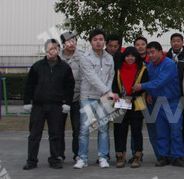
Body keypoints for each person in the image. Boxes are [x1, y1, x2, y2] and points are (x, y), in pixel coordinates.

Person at [23, 39, 75, 170]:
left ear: (59, 50)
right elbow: (29, 85)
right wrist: (27, 102)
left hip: (56, 106)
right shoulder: (37, 66)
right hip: (38, 106)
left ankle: (55, 159)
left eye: (55, 48)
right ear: (46, 50)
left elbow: (69, 87)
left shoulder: (65, 67)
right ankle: (31, 160)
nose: (53, 51)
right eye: (50, 48)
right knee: (34, 134)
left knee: (56, 134)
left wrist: (67, 103)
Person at [133, 41, 184, 167]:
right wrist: (149, 93)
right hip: (158, 102)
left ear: (160, 51)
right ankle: (164, 156)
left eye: (152, 52)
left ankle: (178, 156)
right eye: (148, 53)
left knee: (175, 130)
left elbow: (160, 82)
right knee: (161, 131)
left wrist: (142, 86)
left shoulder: (169, 64)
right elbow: (152, 81)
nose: (150, 55)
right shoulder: (151, 66)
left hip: (172, 102)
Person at [75, 29, 116, 169]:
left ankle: (103, 157)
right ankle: (82, 158)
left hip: (104, 98)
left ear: (104, 41)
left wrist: (107, 92)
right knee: (84, 128)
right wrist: (107, 91)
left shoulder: (109, 58)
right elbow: (91, 77)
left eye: (101, 39)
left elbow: (111, 76)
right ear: (90, 42)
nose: (98, 42)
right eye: (95, 39)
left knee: (103, 128)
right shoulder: (85, 57)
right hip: (88, 96)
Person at [112, 47, 148, 168]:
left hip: (137, 103)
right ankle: (120, 156)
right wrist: (118, 95)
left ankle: (137, 156)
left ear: (136, 57)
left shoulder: (143, 69)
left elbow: (144, 85)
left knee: (136, 131)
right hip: (120, 103)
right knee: (119, 131)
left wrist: (131, 97)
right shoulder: (118, 69)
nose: (130, 58)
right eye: (127, 56)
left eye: (132, 56)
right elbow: (114, 85)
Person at [168, 33, 184, 159]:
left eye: (178, 41)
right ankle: (172, 152)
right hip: (169, 97)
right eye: (174, 41)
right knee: (172, 125)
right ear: (171, 43)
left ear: (183, 42)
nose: (176, 43)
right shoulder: (166, 57)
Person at [59, 31, 83, 162]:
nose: (72, 43)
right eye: (69, 41)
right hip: (60, 99)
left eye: (74, 40)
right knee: (58, 128)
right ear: (63, 43)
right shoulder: (57, 58)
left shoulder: (82, 57)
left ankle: (78, 154)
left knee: (77, 128)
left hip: (77, 98)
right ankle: (59, 154)